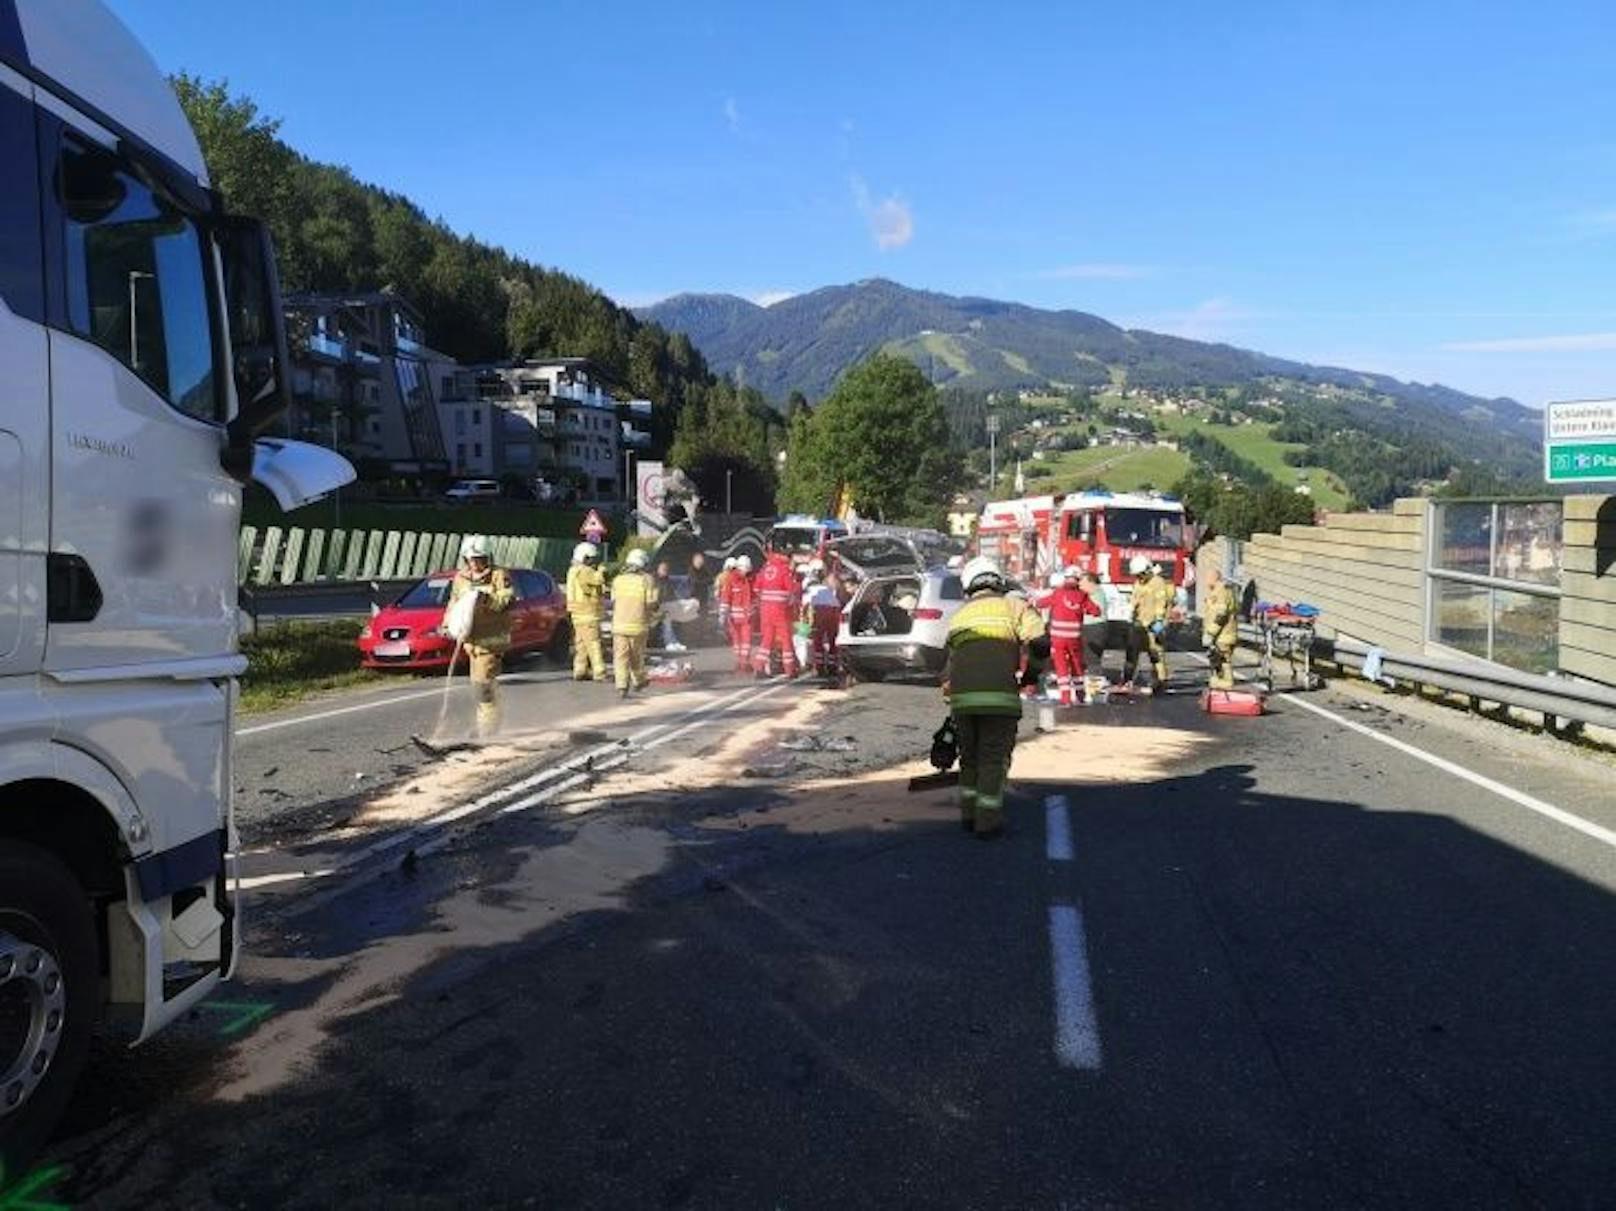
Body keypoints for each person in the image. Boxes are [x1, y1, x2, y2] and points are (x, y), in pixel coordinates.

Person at [943, 556, 1047, 839]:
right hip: (999, 700)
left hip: (962, 702)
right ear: (998, 579)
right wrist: (1031, 676)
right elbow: (1040, 642)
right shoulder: (1013, 605)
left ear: (968, 585)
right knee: (992, 759)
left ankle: (968, 814)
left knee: (969, 759)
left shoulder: (960, 615)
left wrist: (951, 701)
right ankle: (987, 822)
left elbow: (949, 666)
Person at [447, 535, 515, 737]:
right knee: (480, 686)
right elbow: (454, 603)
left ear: (488, 558)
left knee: (483, 686)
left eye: (480, 559)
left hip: (492, 641)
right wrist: (447, 624)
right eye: (472, 559)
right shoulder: (461, 579)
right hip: (471, 643)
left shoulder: (499, 576)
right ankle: (487, 722)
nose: (476, 564)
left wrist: (486, 598)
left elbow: (506, 601)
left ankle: (488, 730)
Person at [1045, 569, 1102, 702]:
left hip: (1058, 639)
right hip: (1074, 638)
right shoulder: (1082, 596)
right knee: (1076, 665)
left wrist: (1031, 602)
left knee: (1061, 668)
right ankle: (1080, 694)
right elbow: (1096, 611)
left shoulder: (1057, 593)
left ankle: (1065, 698)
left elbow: (1042, 602)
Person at [610, 548, 660, 698]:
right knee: (636, 655)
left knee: (620, 656)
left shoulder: (618, 580)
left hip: (619, 625)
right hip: (638, 625)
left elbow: (613, 600)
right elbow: (652, 602)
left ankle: (621, 686)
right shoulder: (647, 580)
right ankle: (639, 680)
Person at [1078, 570, 1137, 685]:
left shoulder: (1095, 592)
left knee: (1091, 657)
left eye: (1082, 582)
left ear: (1091, 583)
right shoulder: (1096, 592)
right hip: (1095, 627)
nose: (1079, 584)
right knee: (1088, 657)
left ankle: (1095, 682)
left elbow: (1089, 608)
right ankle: (1091, 680)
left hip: (1093, 628)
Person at [753, 547, 801, 678]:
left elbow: (756, 588)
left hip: (765, 610)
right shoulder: (784, 570)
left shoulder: (765, 568)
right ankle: (790, 670)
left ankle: (759, 667)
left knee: (767, 639)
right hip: (780, 610)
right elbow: (792, 590)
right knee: (786, 639)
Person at [1130, 555, 1175, 693]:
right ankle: (1129, 678)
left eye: (1141, 574)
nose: (1139, 577)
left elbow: (1161, 603)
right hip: (1140, 622)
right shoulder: (1139, 583)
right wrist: (1132, 613)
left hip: (1153, 623)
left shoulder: (1158, 582)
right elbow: (1135, 600)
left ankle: (1161, 680)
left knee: (1155, 652)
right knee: (1133, 651)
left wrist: (1159, 622)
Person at [565, 541, 607, 682]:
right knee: (594, 643)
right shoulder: (585, 571)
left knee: (581, 644)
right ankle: (599, 672)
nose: (594, 561)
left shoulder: (572, 571)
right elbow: (597, 580)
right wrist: (601, 570)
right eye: (592, 558)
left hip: (577, 614)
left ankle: (580, 670)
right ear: (585, 557)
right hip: (588, 613)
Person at [801, 558, 842, 679]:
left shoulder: (809, 588)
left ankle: (819, 668)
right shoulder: (827, 587)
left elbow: (804, 609)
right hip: (834, 610)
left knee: (817, 641)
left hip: (819, 611)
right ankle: (832, 667)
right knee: (832, 641)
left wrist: (804, 629)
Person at [1202, 567, 1240, 690]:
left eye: (1207, 578)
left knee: (1223, 660)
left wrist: (1210, 633)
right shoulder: (1216, 592)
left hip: (1223, 635)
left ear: (1214, 578)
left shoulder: (1222, 592)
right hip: (1220, 636)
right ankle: (1220, 684)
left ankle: (1226, 683)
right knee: (1217, 660)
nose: (1206, 581)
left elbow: (1221, 615)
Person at [724, 555, 755, 673]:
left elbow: (754, 597)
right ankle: (741, 661)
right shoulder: (732, 579)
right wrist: (724, 614)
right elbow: (726, 597)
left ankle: (744, 662)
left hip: (746, 617)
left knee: (746, 641)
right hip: (735, 618)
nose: (746, 572)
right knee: (738, 641)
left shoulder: (749, 579)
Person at [654, 560, 685, 652]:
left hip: (664, 605)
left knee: (669, 620)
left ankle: (673, 641)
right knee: (667, 620)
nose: (665, 571)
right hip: (655, 607)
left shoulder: (667, 580)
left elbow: (671, 593)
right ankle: (669, 642)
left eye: (666, 569)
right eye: (663, 569)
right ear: (658, 570)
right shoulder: (655, 580)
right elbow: (655, 595)